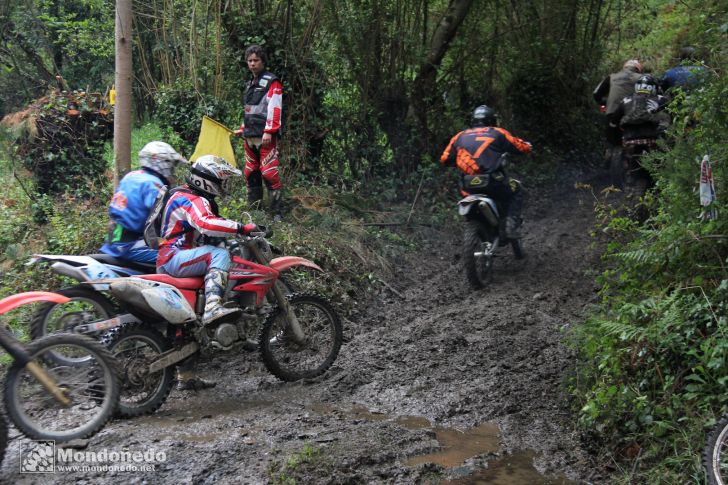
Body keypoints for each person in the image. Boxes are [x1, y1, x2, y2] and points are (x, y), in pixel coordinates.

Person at [156, 155, 261, 391]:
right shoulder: (192, 199)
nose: (223, 186)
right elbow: (206, 223)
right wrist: (241, 227)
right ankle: (214, 307)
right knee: (219, 256)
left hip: (172, 258)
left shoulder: (184, 194)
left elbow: (210, 224)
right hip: (175, 257)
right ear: (207, 180)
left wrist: (233, 229)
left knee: (187, 322)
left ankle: (187, 376)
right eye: (221, 181)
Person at [440, 105, 532, 239]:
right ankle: (511, 226)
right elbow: (520, 146)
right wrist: (528, 146)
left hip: (468, 185)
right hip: (494, 182)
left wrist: (458, 162)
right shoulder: (498, 132)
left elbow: (444, 159)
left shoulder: (459, 136)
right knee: (516, 189)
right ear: (491, 120)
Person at [100, 141, 186, 264]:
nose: (172, 171)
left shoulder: (131, 176)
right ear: (162, 163)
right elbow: (166, 217)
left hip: (114, 241)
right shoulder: (154, 185)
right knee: (177, 257)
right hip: (131, 245)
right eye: (171, 166)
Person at [234, 44, 284, 222]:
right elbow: (249, 111)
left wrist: (270, 131)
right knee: (250, 172)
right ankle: (255, 210)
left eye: (256, 60)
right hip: (250, 136)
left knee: (269, 173)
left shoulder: (273, 81)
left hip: (266, 136)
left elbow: (275, 108)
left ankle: (276, 213)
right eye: (249, 60)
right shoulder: (249, 84)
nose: (252, 64)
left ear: (263, 61)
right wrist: (242, 129)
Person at [612, 74, 670, 192]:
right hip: (654, 138)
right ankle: (667, 179)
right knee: (668, 155)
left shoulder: (626, 100)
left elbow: (614, 120)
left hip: (630, 138)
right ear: (654, 87)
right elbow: (671, 116)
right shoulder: (661, 99)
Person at [593, 59, 644, 147]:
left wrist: (606, 103)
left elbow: (596, 94)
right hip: (633, 114)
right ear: (638, 69)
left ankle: (608, 152)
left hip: (612, 113)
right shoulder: (642, 78)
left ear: (624, 67)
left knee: (611, 141)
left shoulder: (612, 77)